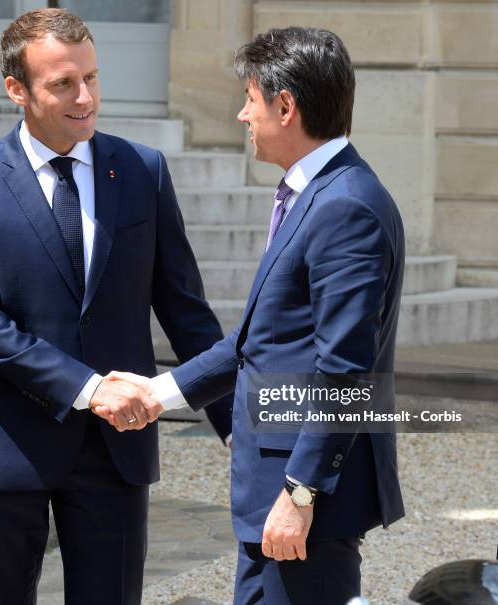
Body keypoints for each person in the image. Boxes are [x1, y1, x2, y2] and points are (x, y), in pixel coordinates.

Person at [97, 26, 406, 605]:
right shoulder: (316, 194)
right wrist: (158, 393)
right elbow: (256, 341)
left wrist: (301, 492)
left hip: (302, 502)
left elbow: (345, 372)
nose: (242, 115)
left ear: (285, 106)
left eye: (250, 98)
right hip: (279, 494)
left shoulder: (346, 207)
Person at [0, 8, 232, 605]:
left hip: (116, 453)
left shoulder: (143, 170)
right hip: (4, 448)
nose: (85, 96)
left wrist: (241, 430)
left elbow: (185, 310)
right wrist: (89, 388)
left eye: (92, 78)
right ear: (16, 89)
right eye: (63, 83)